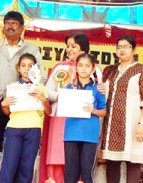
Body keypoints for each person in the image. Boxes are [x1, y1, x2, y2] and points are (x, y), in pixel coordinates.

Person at [0, 11, 47, 183]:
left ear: (22, 28)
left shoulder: (32, 49)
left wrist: (31, 90)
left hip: (20, 108)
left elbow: (41, 76)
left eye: (14, 23)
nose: (10, 26)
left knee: (16, 157)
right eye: (7, 23)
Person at [100, 35, 143, 183]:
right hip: (112, 123)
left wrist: (141, 124)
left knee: (133, 162)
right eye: (119, 47)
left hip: (134, 123)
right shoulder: (110, 71)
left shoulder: (141, 70)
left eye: (126, 47)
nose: (122, 50)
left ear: (134, 49)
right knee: (112, 162)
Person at [39, 33, 91, 183]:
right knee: (57, 155)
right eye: (67, 46)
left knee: (77, 157)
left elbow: (97, 93)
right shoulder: (59, 67)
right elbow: (47, 91)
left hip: (80, 120)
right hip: (59, 118)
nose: (69, 49)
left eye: (73, 46)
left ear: (83, 49)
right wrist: (64, 96)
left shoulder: (93, 69)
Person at [0, 53, 51, 183]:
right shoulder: (13, 87)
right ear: (18, 68)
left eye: (30, 66)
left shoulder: (40, 88)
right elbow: (7, 112)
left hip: (33, 129)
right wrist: (3, 105)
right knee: (9, 166)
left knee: (27, 167)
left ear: (36, 68)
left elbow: (48, 112)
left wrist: (42, 98)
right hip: (14, 128)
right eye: (23, 66)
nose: (27, 69)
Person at [63, 53, 106, 183]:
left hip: (90, 136)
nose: (83, 69)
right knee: (70, 174)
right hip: (71, 134)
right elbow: (63, 106)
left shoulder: (98, 88)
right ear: (75, 68)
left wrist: (93, 110)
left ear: (93, 69)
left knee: (87, 174)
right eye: (80, 65)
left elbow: (104, 111)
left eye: (87, 66)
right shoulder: (70, 87)